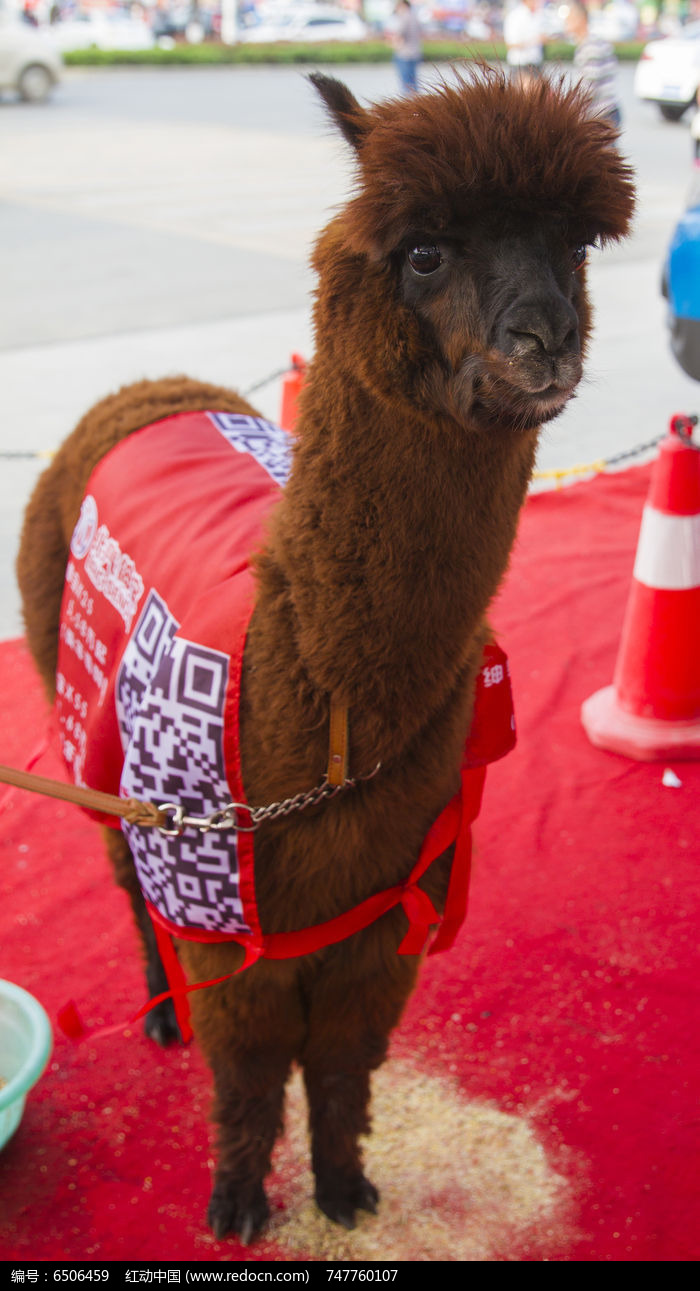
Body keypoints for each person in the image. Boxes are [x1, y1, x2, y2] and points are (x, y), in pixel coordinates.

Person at [566, 1, 622, 129]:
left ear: (580, 19)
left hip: (601, 115)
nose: (566, 23)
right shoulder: (594, 42)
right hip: (607, 112)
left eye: (569, 19)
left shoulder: (590, 47)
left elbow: (589, 87)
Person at [503, 0, 544, 83]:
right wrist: (533, 41)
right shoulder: (515, 17)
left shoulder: (539, 15)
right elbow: (510, 45)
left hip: (536, 65)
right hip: (520, 66)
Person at [390, 0, 423, 95]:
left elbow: (398, 34)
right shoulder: (415, 17)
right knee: (413, 82)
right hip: (415, 53)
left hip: (404, 54)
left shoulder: (404, 17)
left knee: (406, 84)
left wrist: (394, 44)